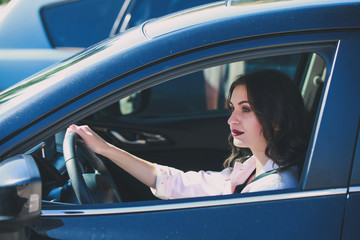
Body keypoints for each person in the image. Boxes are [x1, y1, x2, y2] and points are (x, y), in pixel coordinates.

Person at [66, 69, 310, 200]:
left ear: (276, 120)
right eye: (232, 108)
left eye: (245, 109)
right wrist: (106, 150)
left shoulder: (274, 190)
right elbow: (176, 182)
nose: (231, 120)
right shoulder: (250, 170)